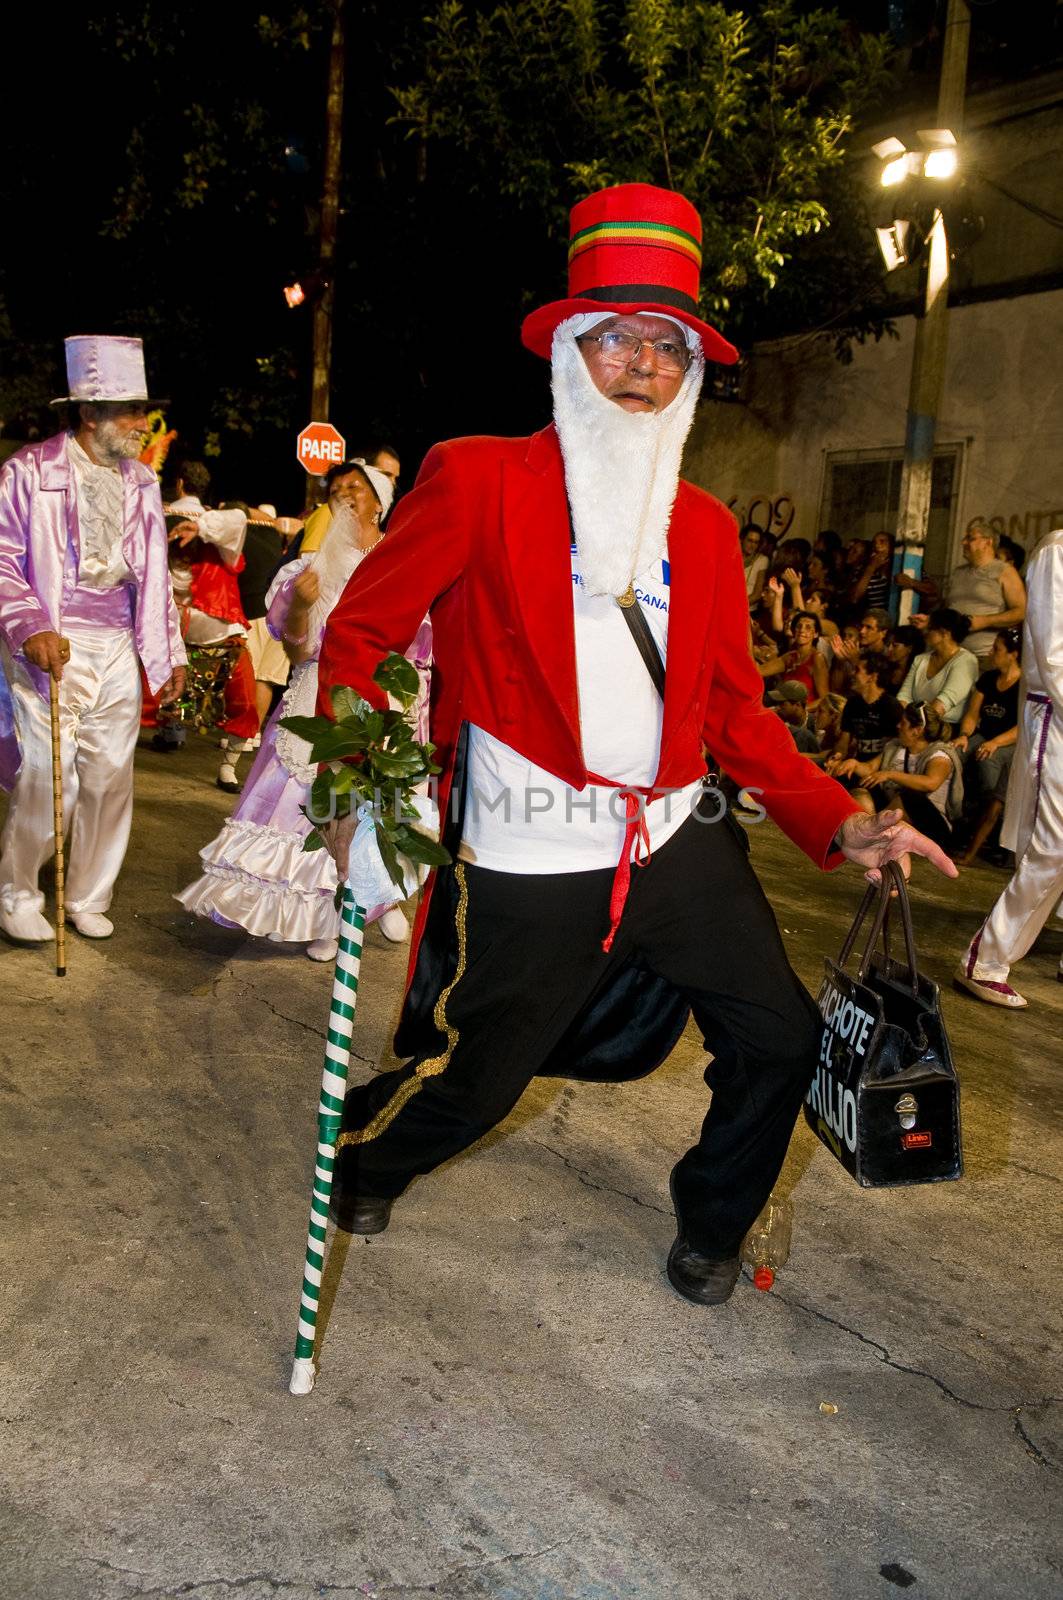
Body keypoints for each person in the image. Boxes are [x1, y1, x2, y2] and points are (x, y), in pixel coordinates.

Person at [309, 182, 956, 1308]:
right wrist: (365, 783)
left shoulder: (704, 528)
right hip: (531, 837)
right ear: (570, 347)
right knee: (482, 1071)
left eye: (667, 347)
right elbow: (362, 633)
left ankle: (712, 1223)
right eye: (618, 339)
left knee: (779, 1035)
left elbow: (737, 712)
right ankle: (370, 1162)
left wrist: (836, 819)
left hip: (679, 828)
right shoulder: (473, 478)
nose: (643, 368)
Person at [177, 463, 422, 956]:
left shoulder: (403, 562)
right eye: (336, 491)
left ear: (380, 502)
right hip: (318, 695)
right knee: (306, 811)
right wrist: (302, 608)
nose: (344, 496)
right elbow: (295, 652)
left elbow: (418, 649)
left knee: (372, 808)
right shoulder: (307, 569)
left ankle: (380, 900)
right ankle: (322, 918)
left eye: (356, 488)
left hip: (380, 700)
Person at [0, 335, 186, 942]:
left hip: (115, 644)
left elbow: (154, 573)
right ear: (88, 413)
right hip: (52, 641)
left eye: (141, 409)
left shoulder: (143, 483)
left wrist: (168, 652)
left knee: (110, 774)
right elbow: (3, 559)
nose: (141, 423)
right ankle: (19, 891)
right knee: (48, 773)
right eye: (130, 410)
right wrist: (31, 626)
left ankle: (87, 894)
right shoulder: (28, 472)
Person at [956, 529, 1063, 1007]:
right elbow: (1054, 655)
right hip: (1056, 716)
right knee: (1052, 847)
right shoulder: (1058, 551)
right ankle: (986, 959)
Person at [898, 517, 1026, 663]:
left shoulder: (1005, 571)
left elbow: (1020, 612)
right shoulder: (958, 573)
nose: (963, 542)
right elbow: (948, 610)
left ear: (987, 542)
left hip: (982, 657)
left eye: (970, 538)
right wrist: (931, 621)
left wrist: (985, 621)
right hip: (948, 655)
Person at [842, 703, 962, 850]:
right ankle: (870, 832)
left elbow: (931, 783)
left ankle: (872, 833)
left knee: (909, 797)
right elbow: (870, 770)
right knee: (862, 787)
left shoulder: (940, 755)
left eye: (903, 723)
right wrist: (853, 764)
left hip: (931, 826)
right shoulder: (895, 747)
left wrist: (890, 774)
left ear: (917, 731)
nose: (898, 726)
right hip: (893, 811)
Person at [951, 628, 1022, 867]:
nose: (991, 653)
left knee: (988, 764)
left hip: (1009, 740)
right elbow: (972, 714)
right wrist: (963, 735)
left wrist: (995, 743)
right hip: (983, 735)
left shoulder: (1024, 685)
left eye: (997, 649)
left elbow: (1022, 727)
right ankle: (953, 817)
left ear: (1013, 654)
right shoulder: (988, 679)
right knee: (954, 754)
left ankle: (989, 829)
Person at [297, 445, 402, 560]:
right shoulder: (325, 514)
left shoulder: (397, 550)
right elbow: (307, 563)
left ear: (378, 503)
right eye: (386, 474)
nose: (393, 483)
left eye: (352, 487)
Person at [897, 608, 980, 727]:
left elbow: (942, 704)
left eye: (930, 628)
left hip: (946, 729)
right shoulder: (920, 659)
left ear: (944, 633)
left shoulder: (966, 661)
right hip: (913, 726)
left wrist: (914, 724)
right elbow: (904, 696)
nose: (925, 631)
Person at [825, 653, 902, 774]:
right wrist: (837, 756)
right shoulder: (853, 703)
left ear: (872, 677)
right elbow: (844, 741)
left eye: (857, 670)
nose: (852, 674)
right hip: (855, 765)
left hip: (880, 772)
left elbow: (893, 750)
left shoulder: (891, 707)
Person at [757, 608, 829, 705]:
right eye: (799, 626)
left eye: (808, 627)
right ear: (794, 631)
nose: (802, 630)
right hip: (785, 710)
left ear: (815, 634)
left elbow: (824, 699)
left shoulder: (817, 658)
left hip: (804, 714)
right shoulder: (790, 656)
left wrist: (801, 711)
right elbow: (758, 671)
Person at [741, 524, 769, 609]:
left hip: (748, 610)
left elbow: (757, 594)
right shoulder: (731, 557)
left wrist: (735, 606)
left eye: (756, 542)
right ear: (742, 539)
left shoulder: (762, 560)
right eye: (750, 540)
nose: (752, 545)